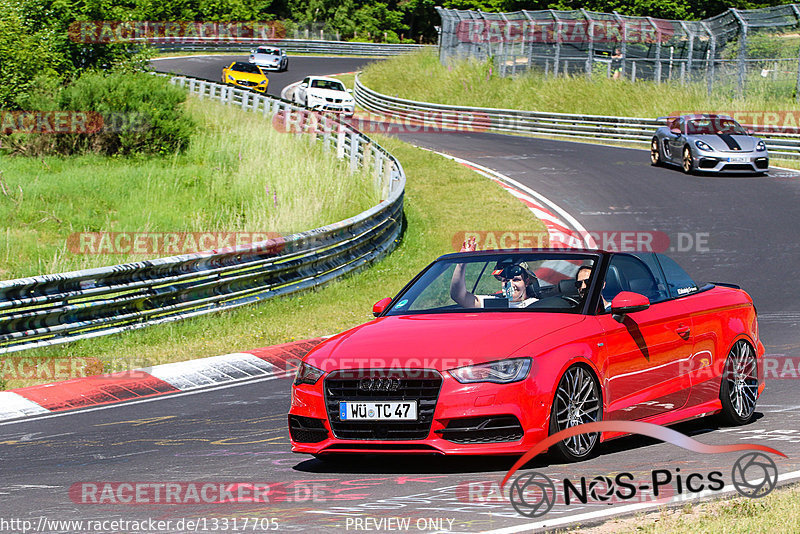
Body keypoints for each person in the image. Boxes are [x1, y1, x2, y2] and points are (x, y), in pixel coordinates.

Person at [450, 237, 539, 309]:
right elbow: (458, 296)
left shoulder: (537, 305)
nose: (510, 285)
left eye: (516, 280)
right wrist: (462, 262)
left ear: (526, 282)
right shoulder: (493, 303)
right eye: (506, 280)